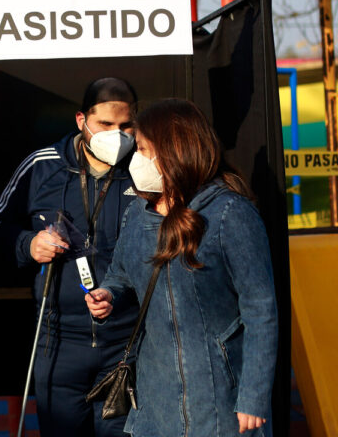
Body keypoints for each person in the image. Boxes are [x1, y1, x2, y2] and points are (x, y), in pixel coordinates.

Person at [85, 98, 278, 436]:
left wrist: (253, 396)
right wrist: (107, 295)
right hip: (154, 403)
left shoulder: (229, 214)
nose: (137, 159)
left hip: (221, 401)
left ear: (174, 150)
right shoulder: (137, 213)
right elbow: (119, 275)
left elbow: (261, 310)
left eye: (144, 149)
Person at [0, 77, 141, 437]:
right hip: (58, 340)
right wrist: (28, 244)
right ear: (81, 120)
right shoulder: (43, 165)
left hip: (127, 342)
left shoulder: (144, 166)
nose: (116, 135)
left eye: (126, 126)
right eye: (105, 124)